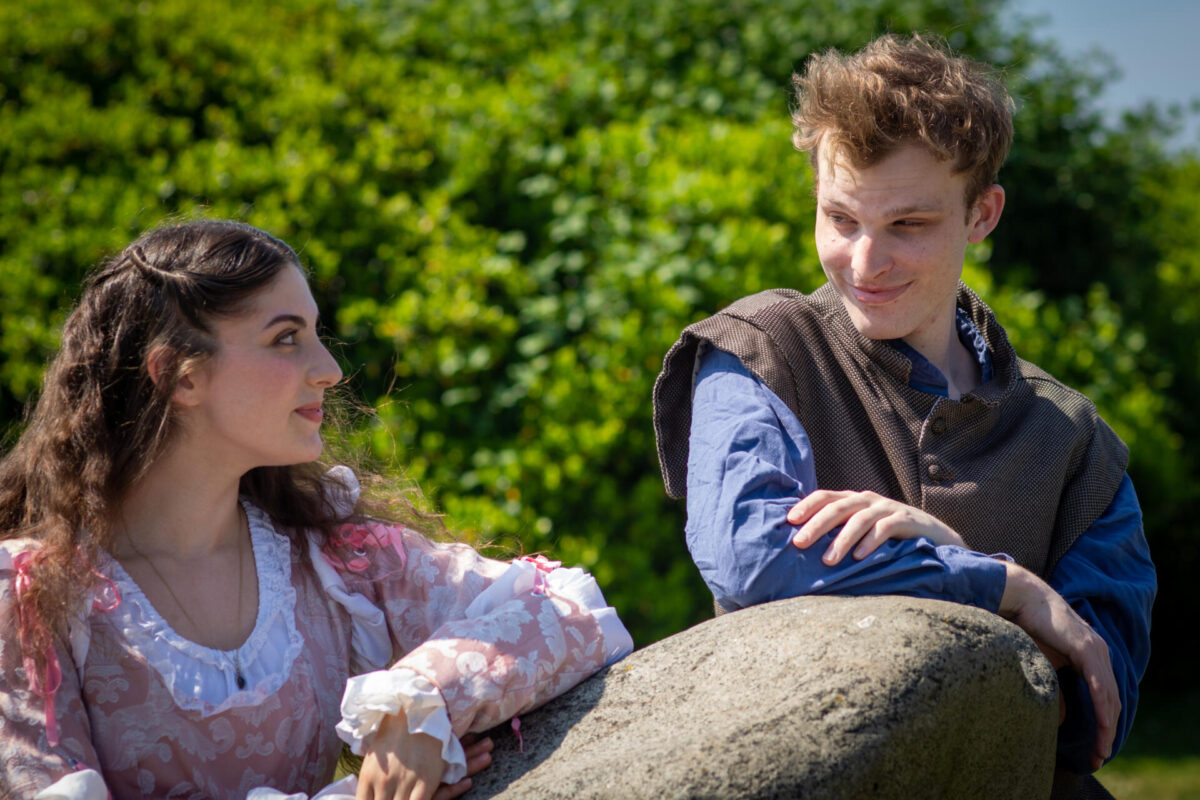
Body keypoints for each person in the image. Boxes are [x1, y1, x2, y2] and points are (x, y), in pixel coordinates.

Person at [651, 34, 1154, 799]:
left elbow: (1095, 711)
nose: (864, 261)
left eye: (907, 226)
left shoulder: (1076, 442)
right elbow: (752, 556)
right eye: (841, 218)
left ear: (982, 214)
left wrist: (939, 558)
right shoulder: (758, 348)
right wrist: (1001, 586)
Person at [0, 220, 633, 800]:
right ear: (178, 376)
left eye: (314, 334)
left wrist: (417, 707)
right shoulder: (33, 601)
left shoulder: (338, 562)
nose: (328, 370)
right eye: (285, 339)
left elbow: (567, 607)